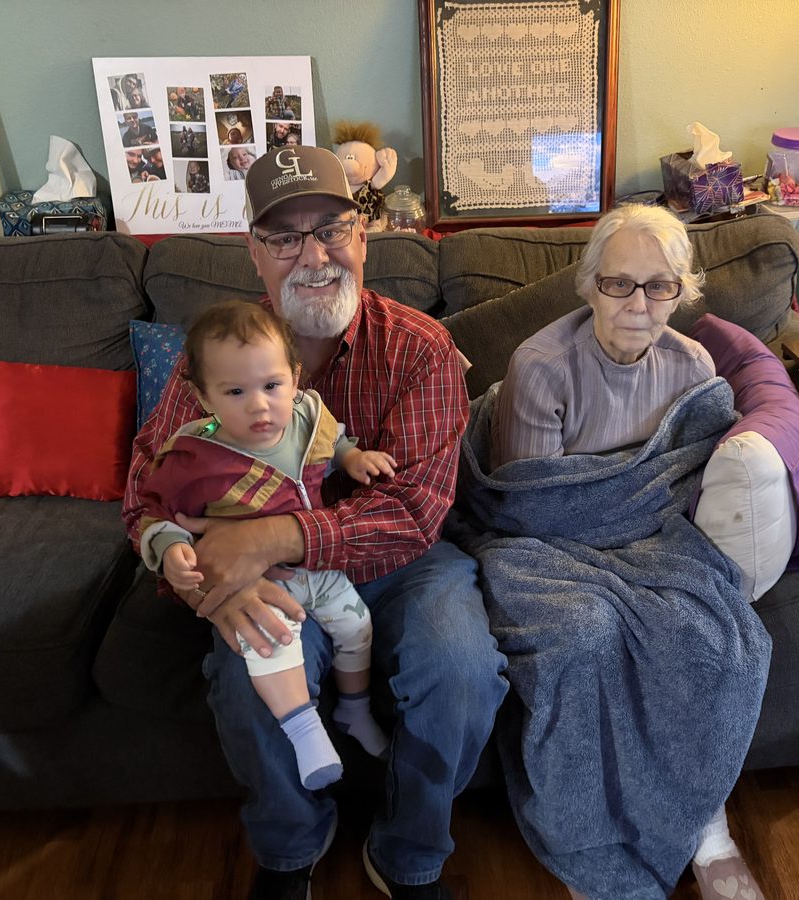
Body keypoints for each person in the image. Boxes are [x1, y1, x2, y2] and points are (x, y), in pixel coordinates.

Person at [123, 145, 507, 900]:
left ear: (362, 237)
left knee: (459, 669)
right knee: (245, 672)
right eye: (284, 237)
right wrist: (211, 581)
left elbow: (414, 511)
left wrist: (270, 537)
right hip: (266, 571)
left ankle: (408, 852)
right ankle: (292, 845)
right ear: (254, 256)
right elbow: (149, 486)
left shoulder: (420, 348)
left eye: (330, 229)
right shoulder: (216, 356)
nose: (313, 256)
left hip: (405, 562)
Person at [489, 204, 769, 900]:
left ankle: (704, 822)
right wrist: (616, 524)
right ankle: (591, 841)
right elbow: (529, 504)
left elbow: (682, 480)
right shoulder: (542, 367)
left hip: (649, 538)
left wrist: (637, 526)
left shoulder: (694, 364)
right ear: (588, 286)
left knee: (718, 631)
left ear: (682, 290)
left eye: (660, 285)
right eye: (619, 284)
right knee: (584, 634)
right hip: (540, 546)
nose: (639, 305)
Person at [137, 300, 394, 790]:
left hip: (317, 563)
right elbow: (157, 511)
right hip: (255, 583)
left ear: (295, 378)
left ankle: (355, 713)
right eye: (235, 391)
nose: (259, 405)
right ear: (203, 396)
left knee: (358, 627)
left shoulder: (304, 417)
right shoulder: (194, 454)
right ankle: (305, 731)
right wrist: (170, 552)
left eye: (272, 385)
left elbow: (331, 441)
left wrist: (353, 456)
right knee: (270, 644)